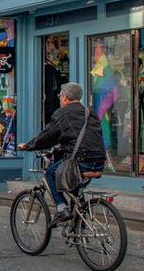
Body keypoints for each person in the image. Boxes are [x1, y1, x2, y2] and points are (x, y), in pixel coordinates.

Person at [18, 82, 106, 227]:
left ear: (64, 97)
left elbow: (46, 137)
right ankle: (80, 229)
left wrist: (28, 146)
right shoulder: (90, 112)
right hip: (99, 161)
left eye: (60, 97)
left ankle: (61, 208)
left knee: (49, 173)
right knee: (75, 190)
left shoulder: (62, 113)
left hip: (81, 161)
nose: (60, 100)